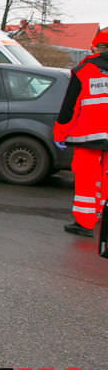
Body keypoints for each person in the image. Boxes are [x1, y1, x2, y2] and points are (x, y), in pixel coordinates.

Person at [53, 29, 108, 238]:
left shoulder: (83, 70)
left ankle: (85, 223)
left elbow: (70, 108)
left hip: (88, 136)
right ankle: (104, 217)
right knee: (107, 179)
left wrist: (60, 133)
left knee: (87, 179)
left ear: (95, 46)